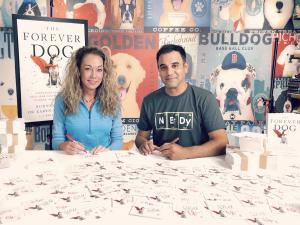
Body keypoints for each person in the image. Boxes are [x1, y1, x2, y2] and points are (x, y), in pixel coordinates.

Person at [135, 44, 228, 160]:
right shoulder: (149, 101)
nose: (169, 72)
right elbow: (140, 137)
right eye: (163, 67)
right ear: (159, 71)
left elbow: (222, 141)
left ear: (185, 67)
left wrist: (186, 153)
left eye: (175, 65)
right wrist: (143, 144)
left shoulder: (205, 98)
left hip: (199, 166)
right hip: (161, 165)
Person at [52, 46, 123, 154]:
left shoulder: (114, 99)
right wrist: (64, 145)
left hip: (104, 161)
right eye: (88, 69)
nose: (94, 75)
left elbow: (117, 139)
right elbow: (57, 140)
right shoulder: (62, 99)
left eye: (99, 70)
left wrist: (108, 150)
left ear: (104, 72)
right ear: (78, 71)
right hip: (73, 161)